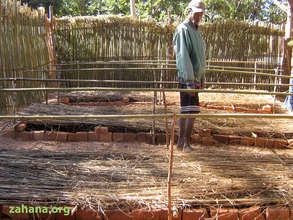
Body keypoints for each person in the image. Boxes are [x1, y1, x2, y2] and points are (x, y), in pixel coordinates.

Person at [173, 0, 206, 152]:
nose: (199, 16)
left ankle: (185, 143)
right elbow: (183, 56)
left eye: (201, 14)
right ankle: (182, 143)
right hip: (188, 78)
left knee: (193, 111)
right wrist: (189, 81)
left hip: (196, 78)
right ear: (190, 11)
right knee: (186, 110)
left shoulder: (197, 31)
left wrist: (201, 78)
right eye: (197, 13)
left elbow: (201, 58)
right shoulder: (183, 29)